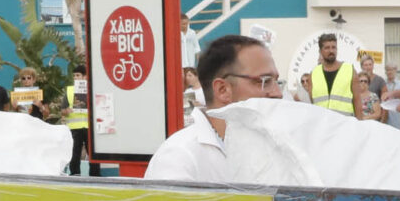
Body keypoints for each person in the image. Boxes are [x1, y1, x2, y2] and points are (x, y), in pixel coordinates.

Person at [146, 33, 285, 184]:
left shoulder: (276, 148)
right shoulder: (180, 157)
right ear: (222, 90)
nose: (278, 94)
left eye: (277, 82)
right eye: (264, 81)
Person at [301, 33, 356, 114]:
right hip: (322, 123)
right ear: (320, 51)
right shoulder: (314, 73)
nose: (331, 51)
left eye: (334, 47)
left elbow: (357, 100)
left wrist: (359, 124)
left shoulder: (350, 70)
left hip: (344, 123)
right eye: (327, 48)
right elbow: (311, 101)